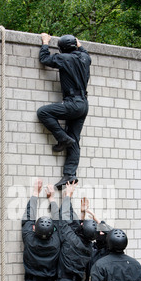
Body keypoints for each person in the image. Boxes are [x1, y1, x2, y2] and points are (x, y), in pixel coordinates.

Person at [37, 33, 91, 190]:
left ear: (62, 49)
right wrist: (77, 43)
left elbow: (45, 59)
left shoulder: (64, 58)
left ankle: (62, 138)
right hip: (84, 105)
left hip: (73, 103)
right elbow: (84, 51)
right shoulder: (85, 58)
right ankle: (70, 175)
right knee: (74, 138)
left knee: (43, 112)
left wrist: (45, 43)